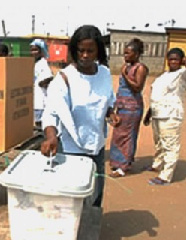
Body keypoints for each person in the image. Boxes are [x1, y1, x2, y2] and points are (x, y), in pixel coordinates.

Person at [40, 25, 120, 207]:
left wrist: (111, 114)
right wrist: (51, 137)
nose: (85, 55)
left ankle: (90, 229)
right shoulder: (64, 79)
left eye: (90, 51)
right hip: (71, 150)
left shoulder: (105, 74)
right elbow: (51, 113)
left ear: (98, 51)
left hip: (97, 147)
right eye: (81, 50)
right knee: (73, 200)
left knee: (95, 194)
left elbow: (106, 101)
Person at [143, 48, 186, 185]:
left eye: (176, 59)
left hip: (171, 116)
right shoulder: (163, 76)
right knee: (159, 143)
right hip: (157, 114)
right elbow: (156, 96)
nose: (173, 61)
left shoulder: (182, 74)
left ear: (181, 60)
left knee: (170, 145)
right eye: (171, 59)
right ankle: (157, 165)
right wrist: (149, 113)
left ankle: (165, 176)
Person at [108, 38, 149, 177]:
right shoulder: (126, 67)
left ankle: (123, 166)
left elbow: (137, 87)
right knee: (118, 136)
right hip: (122, 106)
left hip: (132, 108)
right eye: (124, 53)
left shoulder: (140, 68)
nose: (125, 56)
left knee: (128, 137)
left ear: (136, 54)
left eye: (128, 53)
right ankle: (118, 162)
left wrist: (125, 75)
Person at [30, 39, 53, 127]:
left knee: (40, 124)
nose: (33, 52)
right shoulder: (36, 63)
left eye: (35, 50)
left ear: (41, 51)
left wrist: (41, 83)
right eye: (31, 50)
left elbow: (49, 77)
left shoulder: (43, 64)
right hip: (36, 99)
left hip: (40, 100)